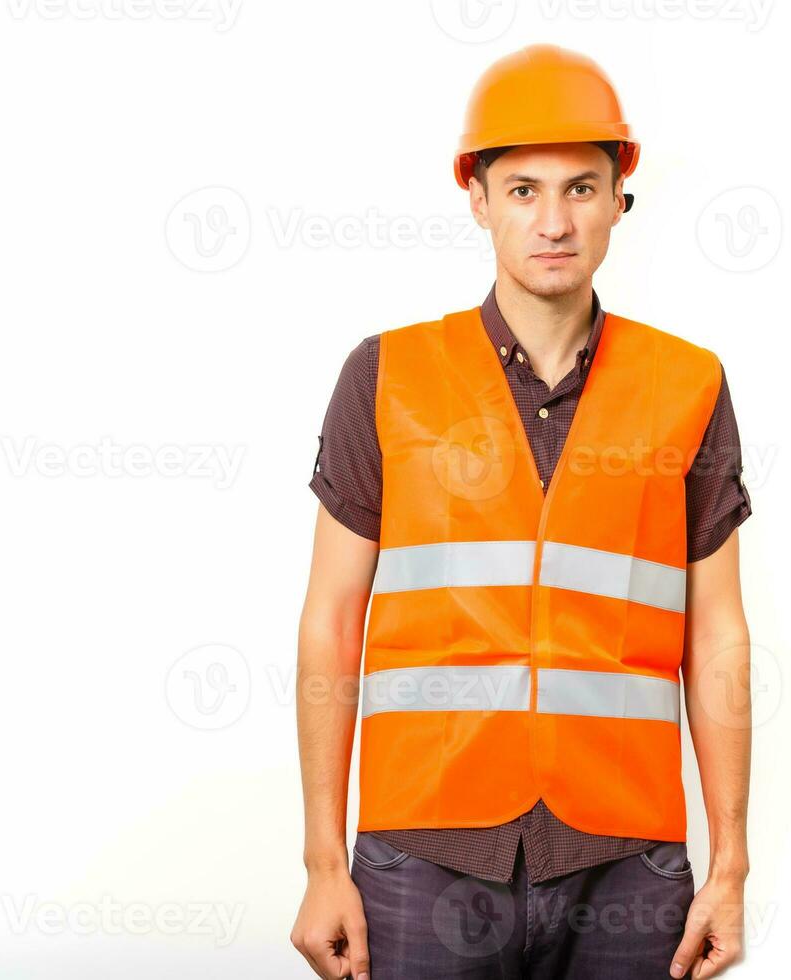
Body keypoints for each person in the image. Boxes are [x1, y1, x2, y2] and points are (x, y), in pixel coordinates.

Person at [290, 45, 753, 980]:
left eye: (581, 189)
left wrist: (733, 863)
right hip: (421, 856)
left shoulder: (689, 384)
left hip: (627, 864)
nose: (553, 220)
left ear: (622, 198)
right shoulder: (386, 379)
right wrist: (321, 862)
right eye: (523, 190)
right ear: (477, 198)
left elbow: (719, 638)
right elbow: (332, 622)